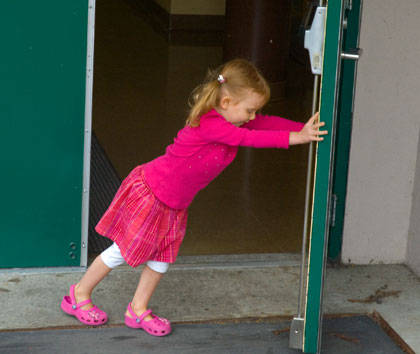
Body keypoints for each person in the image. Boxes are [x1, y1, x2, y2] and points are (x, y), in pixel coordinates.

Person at [61, 58, 327, 337]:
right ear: (226, 104)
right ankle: (78, 294)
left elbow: (263, 124)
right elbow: (249, 138)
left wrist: (303, 127)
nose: (252, 117)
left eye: (255, 111)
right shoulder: (212, 124)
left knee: (161, 259)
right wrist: (296, 138)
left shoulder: (232, 118)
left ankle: (137, 309)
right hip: (153, 194)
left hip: (174, 205)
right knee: (121, 252)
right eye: (249, 110)